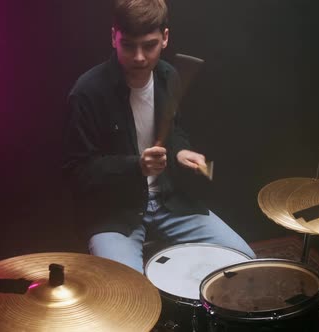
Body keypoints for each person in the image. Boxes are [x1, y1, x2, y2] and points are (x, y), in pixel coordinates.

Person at [62, 0, 255, 273]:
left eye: (149, 45)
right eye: (128, 45)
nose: (139, 57)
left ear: (164, 38)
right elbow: (76, 172)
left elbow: (173, 132)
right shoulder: (87, 92)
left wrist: (180, 151)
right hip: (115, 212)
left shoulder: (169, 76)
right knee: (127, 294)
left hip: (169, 201)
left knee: (244, 260)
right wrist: (135, 166)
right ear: (113, 37)